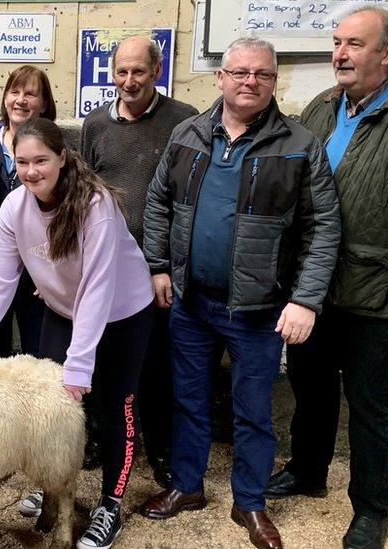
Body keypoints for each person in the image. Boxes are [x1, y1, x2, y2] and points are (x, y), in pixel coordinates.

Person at [264, 8, 388, 549]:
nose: (340, 54)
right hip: (314, 286)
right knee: (310, 388)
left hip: (379, 291)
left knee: (371, 403)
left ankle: (371, 507)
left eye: (354, 44)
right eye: (337, 42)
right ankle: (308, 471)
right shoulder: (323, 107)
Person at [138, 38, 341, 549]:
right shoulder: (187, 135)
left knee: (253, 410)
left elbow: (323, 229)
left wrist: (305, 299)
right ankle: (187, 486)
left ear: (275, 82)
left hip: (260, 310)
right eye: (240, 72)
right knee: (188, 401)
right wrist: (158, 268)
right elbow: (159, 202)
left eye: (263, 75)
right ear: (220, 78)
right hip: (190, 303)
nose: (250, 82)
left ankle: (249, 502)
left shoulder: (299, 144)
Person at [0, 118, 156, 549]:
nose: (31, 171)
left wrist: (79, 367)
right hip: (62, 311)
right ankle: (54, 490)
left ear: (62, 159)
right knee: (49, 407)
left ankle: (110, 504)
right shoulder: (14, 207)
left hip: (122, 314)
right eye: (22, 161)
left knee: (112, 406)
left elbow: (98, 288)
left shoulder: (96, 205)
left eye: (41, 161)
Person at [81, 34, 198, 489]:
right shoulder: (94, 124)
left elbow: (183, 200)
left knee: (155, 367)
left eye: (139, 72)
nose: (129, 81)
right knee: (96, 356)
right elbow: (86, 193)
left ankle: (161, 452)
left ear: (157, 71)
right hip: (103, 265)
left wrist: (160, 264)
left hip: (155, 270)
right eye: (121, 71)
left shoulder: (184, 122)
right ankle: (96, 440)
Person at [0, 65, 55, 359]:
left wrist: (55, 271)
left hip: (38, 272)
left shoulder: (57, 149)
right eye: (15, 91)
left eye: (30, 94)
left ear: (44, 103)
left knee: (39, 353)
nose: (20, 100)